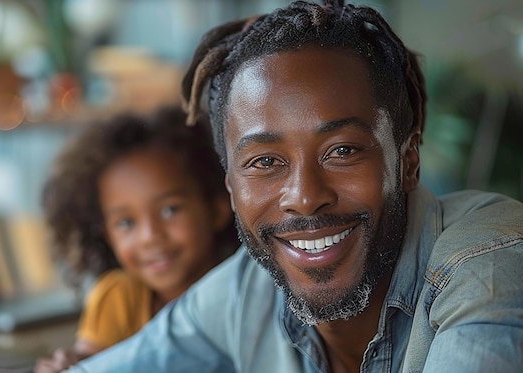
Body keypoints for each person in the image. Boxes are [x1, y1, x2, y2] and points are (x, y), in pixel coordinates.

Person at [63, 1, 523, 372]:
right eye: (264, 162)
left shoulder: (488, 261)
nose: (304, 196)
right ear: (230, 186)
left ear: (407, 161)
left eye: (341, 151)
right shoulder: (245, 292)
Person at [34, 106, 238, 373]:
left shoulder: (241, 292)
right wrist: (69, 363)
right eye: (126, 223)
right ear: (106, 234)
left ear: (217, 208)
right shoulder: (118, 296)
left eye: (169, 210)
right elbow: (90, 359)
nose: (150, 237)